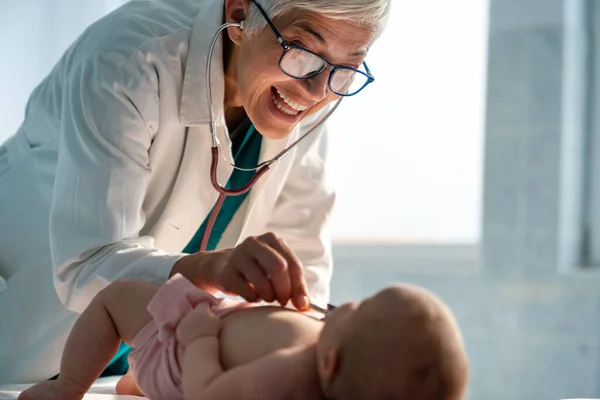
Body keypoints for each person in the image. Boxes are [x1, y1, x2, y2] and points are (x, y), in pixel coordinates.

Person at [0, 0, 390, 383]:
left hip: (149, 363)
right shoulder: (129, 59)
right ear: (239, 14)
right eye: (303, 51)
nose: (316, 92)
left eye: (347, 69)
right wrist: (211, 270)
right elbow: (86, 265)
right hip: (29, 326)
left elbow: (302, 276)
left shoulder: (308, 110)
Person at [18, 274, 469, 400]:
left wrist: (199, 338)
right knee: (141, 373)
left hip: (186, 344)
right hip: (209, 332)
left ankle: (67, 387)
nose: (349, 304)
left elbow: (208, 392)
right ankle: (137, 383)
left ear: (330, 363)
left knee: (116, 298)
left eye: (362, 308)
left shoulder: (292, 371)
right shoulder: (321, 361)